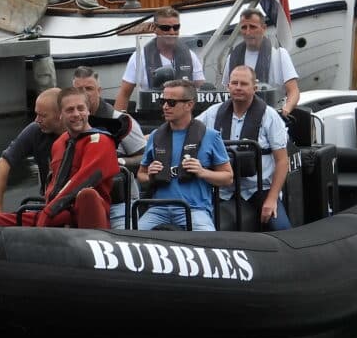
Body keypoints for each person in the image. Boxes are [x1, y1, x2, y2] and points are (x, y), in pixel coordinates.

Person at [0, 87, 120, 229]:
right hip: (58, 213)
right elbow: (53, 185)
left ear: (88, 111)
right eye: (70, 110)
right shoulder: (60, 143)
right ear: (61, 115)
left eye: (80, 108)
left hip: (86, 215)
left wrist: (48, 212)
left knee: (87, 195)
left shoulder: (101, 141)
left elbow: (84, 180)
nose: (76, 114)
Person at [197, 65, 290, 231]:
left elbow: (282, 161)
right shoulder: (213, 113)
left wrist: (272, 199)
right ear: (228, 86)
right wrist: (152, 137)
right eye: (234, 83)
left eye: (244, 84)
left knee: (281, 228)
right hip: (222, 189)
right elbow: (188, 129)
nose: (238, 87)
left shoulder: (269, 116)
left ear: (254, 88)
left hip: (258, 189)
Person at [135, 79, 232, 232]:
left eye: (171, 102)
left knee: (209, 241)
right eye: (163, 101)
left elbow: (228, 177)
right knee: (130, 238)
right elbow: (141, 174)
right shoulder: (155, 136)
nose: (165, 107)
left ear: (189, 105)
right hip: (158, 209)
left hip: (195, 210)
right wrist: (150, 175)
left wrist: (202, 172)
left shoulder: (211, 136)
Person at [72, 65, 146, 229]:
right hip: (79, 202)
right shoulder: (68, 124)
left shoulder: (121, 122)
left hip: (119, 202)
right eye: (79, 90)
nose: (84, 94)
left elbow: (145, 158)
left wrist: (118, 162)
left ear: (99, 91)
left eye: (89, 89)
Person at [0, 88, 63, 218]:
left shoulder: (80, 134)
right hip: (46, 204)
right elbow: (0, 167)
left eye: (43, 116)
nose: (37, 120)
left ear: (61, 114)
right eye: (36, 114)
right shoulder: (36, 130)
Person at [113, 8, 206, 112]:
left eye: (176, 27)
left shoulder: (190, 55)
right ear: (154, 28)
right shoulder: (139, 57)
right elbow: (124, 94)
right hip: (151, 114)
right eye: (166, 28)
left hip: (183, 115)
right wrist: (118, 120)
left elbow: (202, 89)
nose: (172, 32)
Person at [226, 5, 300, 113]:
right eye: (244, 27)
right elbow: (225, 90)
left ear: (264, 28)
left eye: (252, 27)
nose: (248, 32)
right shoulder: (232, 57)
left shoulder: (279, 55)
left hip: (271, 112)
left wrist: (286, 110)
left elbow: (293, 91)